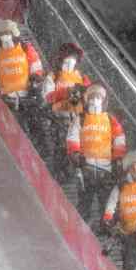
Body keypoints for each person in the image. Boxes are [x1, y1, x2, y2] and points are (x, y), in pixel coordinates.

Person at [65, 84, 125, 222]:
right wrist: (75, 154)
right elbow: (72, 137)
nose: (94, 100)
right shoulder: (80, 119)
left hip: (105, 168)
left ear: (103, 100)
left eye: (98, 97)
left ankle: (104, 227)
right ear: (87, 99)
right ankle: (81, 224)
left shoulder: (110, 120)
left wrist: (117, 158)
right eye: (92, 97)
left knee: (105, 202)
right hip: (87, 167)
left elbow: (119, 139)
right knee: (85, 200)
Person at [43, 42, 90, 176]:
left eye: (73, 60)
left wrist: (81, 94)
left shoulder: (82, 78)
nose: (69, 64)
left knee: (75, 146)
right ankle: (59, 171)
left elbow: (89, 94)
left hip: (76, 118)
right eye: (66, 60)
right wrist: (66, 93)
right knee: (60, 145)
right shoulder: (54, 76)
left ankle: (73, 172)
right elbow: (48, 96)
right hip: (59, 118)